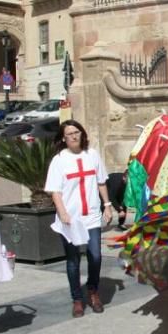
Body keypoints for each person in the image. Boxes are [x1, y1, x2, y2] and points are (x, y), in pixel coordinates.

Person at [45, 120, 113, 318]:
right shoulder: (59, 160)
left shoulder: (92, 155)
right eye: (69, 134)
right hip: (71, 218)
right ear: (63, 138)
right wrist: (63, 213)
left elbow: (101, 181)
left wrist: (107, 205)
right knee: (73, 259)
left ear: (82, 134)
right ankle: (77, 299)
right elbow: (55, 191)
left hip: (91, 214)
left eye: (77, 132)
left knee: (95, 255)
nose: (74, 136)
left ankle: (93, 291)